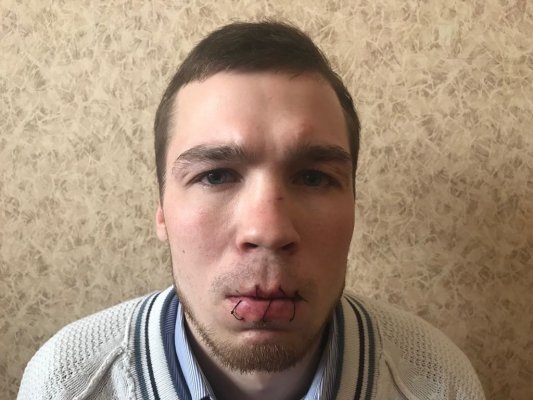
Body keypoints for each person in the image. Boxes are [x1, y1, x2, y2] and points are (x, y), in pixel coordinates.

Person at [18, 21, 485, 400]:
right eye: (216, 176)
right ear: (161, 210)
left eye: (314, 177)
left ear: (354, 206)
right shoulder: (67, 383)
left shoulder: (436, 383)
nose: (269, 230)